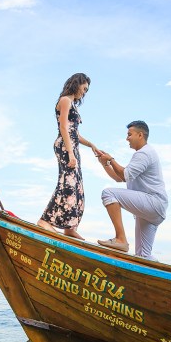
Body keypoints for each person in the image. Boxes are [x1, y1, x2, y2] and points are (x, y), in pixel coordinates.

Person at [93, 120, 167, 258]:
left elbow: (125, 175)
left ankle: (121, 239)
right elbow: (118, 178)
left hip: (153, 202)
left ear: (140, 135)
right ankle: (158, 278)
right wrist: (105, 164)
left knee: (108, 193)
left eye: (129, 134)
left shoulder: (144, 153)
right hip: (154, 209)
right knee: (143, 256)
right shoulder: (144, 154)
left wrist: (111, 159)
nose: (127, 138)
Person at [38, 73, 99, 239]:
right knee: (67, 183)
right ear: (77, 83)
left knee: (77, 187)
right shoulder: (65, 100)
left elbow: (74, 133)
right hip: (66, 147)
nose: (84, 92)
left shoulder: (72, 104)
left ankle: (70, 227)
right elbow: (64, 128)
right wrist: (71, 153)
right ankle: (45, 220)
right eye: (84, 88)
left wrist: (91, 145)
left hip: (72, 146)